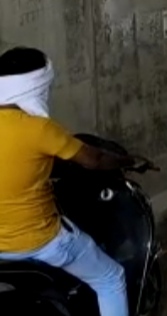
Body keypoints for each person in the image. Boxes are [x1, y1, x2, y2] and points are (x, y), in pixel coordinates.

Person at [0, 47, 150, 316]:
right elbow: (94, 160)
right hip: (40, 242)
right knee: (110, 278)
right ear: (36, 86)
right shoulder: (39, 129)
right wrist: (130, 160)